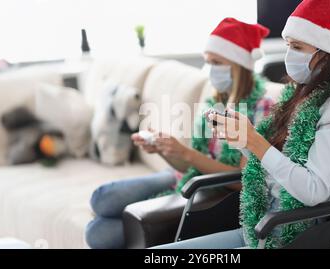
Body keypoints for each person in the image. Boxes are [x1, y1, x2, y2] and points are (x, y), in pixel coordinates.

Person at [153, 0, 330, 249]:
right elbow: (274, 166)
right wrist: (243, 140)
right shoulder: (300, 94)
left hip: (285, 234)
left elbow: (314, 191)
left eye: (297, 46)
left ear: (327, 50)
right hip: (259, 227)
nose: (288, 54)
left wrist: (256, 142)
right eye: (288, 46)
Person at [85, 17, 274, 249]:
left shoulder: (261, 107)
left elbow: (244, 180)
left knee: (99, 233)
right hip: (188, 177)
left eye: (217, 62)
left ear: (239, 64)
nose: (211, 70)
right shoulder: (213, 102)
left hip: (215, 192)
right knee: (101, 198)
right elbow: (189, 163)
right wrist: (165, 150)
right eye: (208, 62)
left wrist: (186, 154)